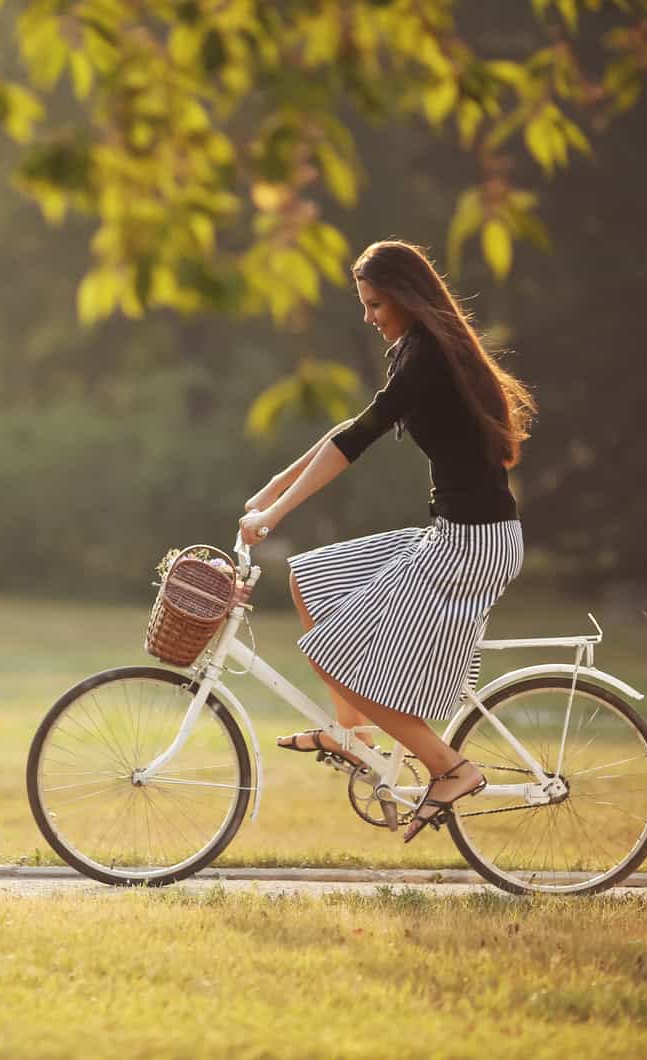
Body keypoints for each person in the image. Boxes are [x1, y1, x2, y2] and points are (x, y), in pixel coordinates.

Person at [236, 239, 535, 842]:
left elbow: (357, 442)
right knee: (309, 574)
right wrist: (276, 483)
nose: (368, 316)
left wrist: (275, 513)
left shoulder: (427, 357)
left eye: (374, 304)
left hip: (471, 548)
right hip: (455, 533)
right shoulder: (415, 351)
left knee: (331, 650)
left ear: (402, 298)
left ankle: (449, 769)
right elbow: (351, 427)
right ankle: (354, 734)